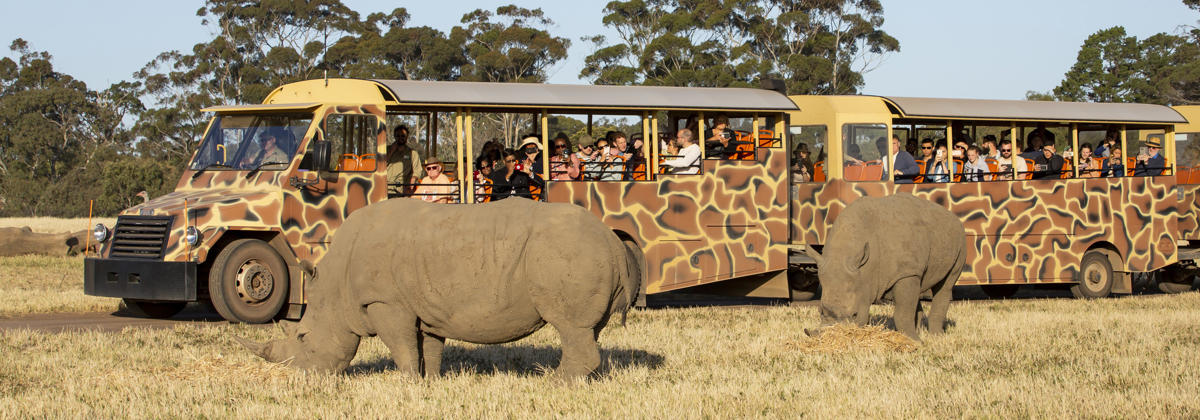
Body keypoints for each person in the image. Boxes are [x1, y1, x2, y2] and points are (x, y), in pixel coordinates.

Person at [386, 125, 422, 197]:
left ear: (407, 137)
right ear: (394, 136)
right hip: (386, 187)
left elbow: (417, 171)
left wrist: (412, 180)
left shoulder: (412, 153)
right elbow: (380, 166)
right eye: (398, 136)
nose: (400, 138)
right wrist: (391, 151)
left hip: (402, 188)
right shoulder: (386, 150)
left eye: (403, 136)